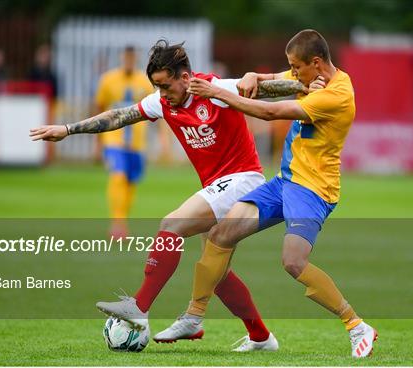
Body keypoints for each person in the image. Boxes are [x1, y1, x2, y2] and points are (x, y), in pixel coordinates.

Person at [30, 39, 307, 351]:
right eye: (157, 87)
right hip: (216, 185)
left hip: (244, 179)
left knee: (172, 224)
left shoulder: (215, 90)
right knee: (217, 272)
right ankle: (261, 337)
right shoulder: (161, 103)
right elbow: (119, 116)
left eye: (166, 85)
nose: (162, 94)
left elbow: (270, 90)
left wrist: (308, 85)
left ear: (185, 78)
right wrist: (68, 130)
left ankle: (139, 307)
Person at [178, 29, 378, 358]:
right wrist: (255, 74)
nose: (293, 73)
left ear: (316, 63)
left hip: (313, 189)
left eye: (297, 67)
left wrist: (216, 92)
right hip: (284, 181)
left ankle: (356, 325)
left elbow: (270, 112)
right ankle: (195, 317)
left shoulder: (337, 95)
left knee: (293, 262)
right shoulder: (311, 75)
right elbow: (274, 80)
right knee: (220, 234)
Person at [94, 46, 155, 237]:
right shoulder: (107, 80)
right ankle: (117, 224)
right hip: (114, 139)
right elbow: (99, 109)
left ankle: (122, 221)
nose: (129, 61)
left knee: (130, 182)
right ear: (122, 58)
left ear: (135, 59)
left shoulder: (144, 82)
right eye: (126, 57)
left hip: (137, 142)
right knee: (118, 176)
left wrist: (164, 139)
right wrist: (97, 142)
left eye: (132, 58)